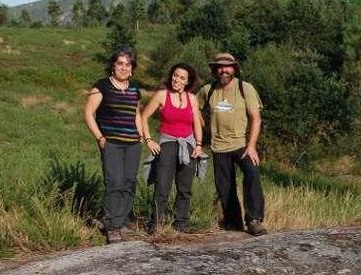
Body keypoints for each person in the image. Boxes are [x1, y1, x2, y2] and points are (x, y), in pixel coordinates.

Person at [196, 52, 267, 236]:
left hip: (242, 145)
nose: (223, 70)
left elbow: (256, 118)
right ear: (214, 70)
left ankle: (253, 220)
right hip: (218, 147)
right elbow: (193, 109)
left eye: (227, 66)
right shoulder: (207, 90)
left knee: (252, 175)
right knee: (224, 187)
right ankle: (233, 223)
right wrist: (203, 130)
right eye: (219, 67)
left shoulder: (245, 88)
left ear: (234, 68)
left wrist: (251, 146)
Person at [83, 46, 144, 244]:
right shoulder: (102, 86)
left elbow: (136, 114)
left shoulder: (135, 88)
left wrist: (141, 136)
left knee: (129, 182)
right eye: (120, 63)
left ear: (132, 68)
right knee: (114, 182)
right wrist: (100, 138)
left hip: (133, 144)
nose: (124, 67)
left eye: (128, 64)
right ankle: (112, 226)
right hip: (112, 144)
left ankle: (122, 220)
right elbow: (88, 113)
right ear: (113, 66)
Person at [141, 63, 205, 234]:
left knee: (185, 188)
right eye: (175, 75)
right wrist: (148, 140)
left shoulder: (192, 98)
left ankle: (181, 222)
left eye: (182, 78)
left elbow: (196, 123)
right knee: (162, 186)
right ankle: (156, 224)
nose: (177, 79)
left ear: (187, 81)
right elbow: (143, 116)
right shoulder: (162, 95)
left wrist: (199, 145)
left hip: (188, 145)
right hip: (167, 144)